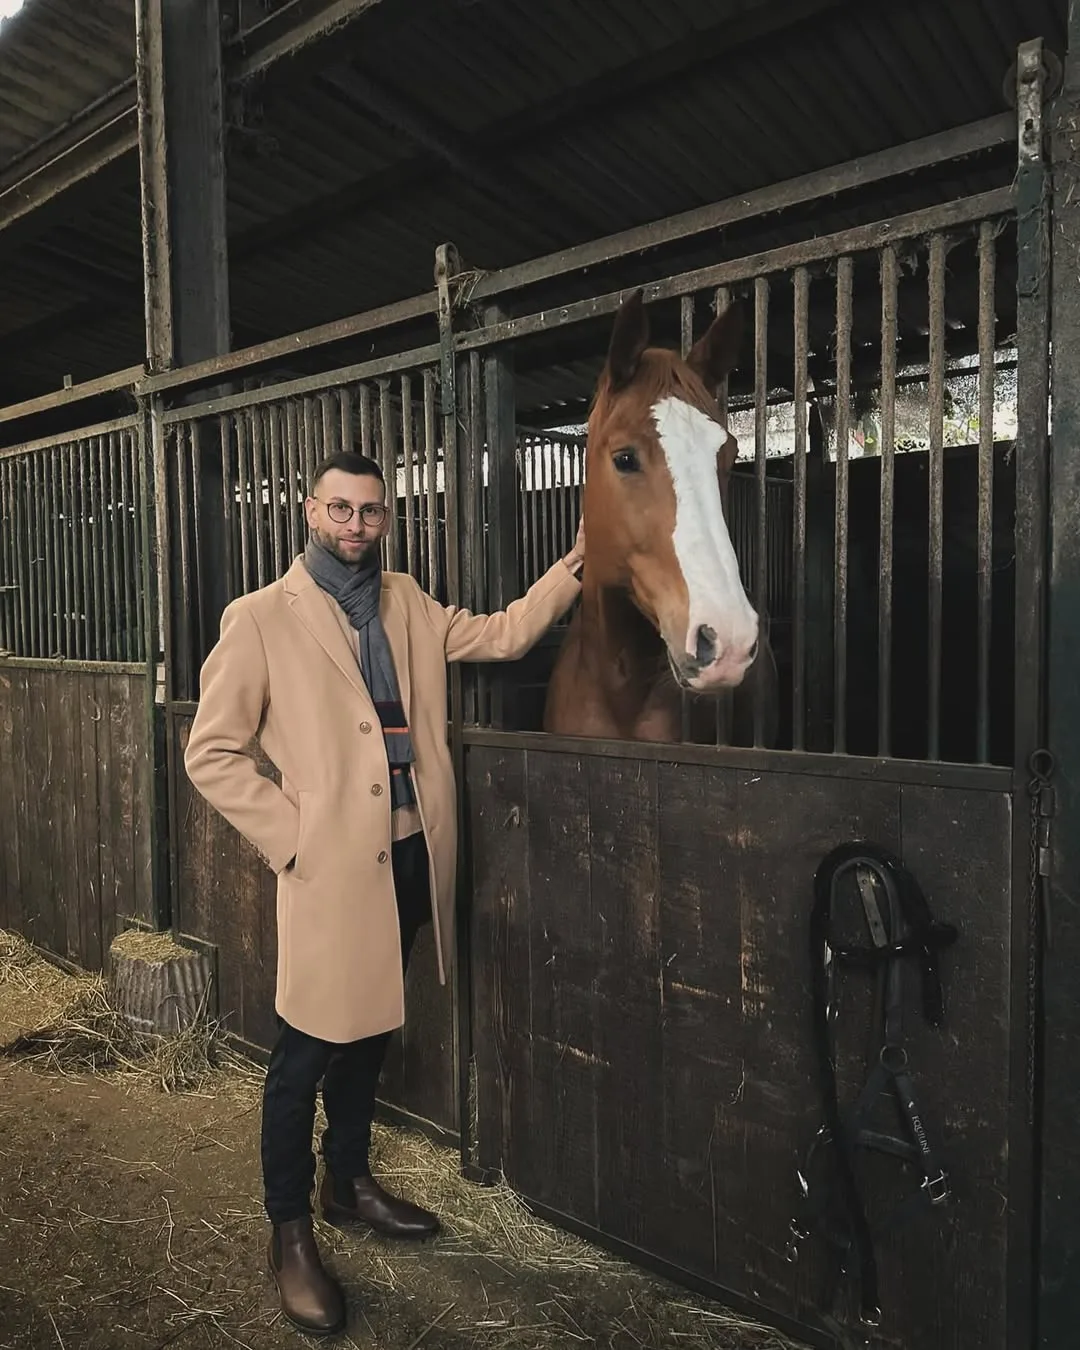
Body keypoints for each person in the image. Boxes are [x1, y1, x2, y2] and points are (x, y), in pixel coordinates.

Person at [184, 450, 583, 1336]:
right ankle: (289, 1229)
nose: (354, 526)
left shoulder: (408, 600)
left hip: (410, 857)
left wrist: (578, 563)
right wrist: (294, 841)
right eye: (339, 509)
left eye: (370, 512)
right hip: (331, 869)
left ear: (386, 520)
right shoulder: (258, 619)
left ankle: (347, 1180)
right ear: (308, 510)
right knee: (303, 1052)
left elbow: (509, 634)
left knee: (372, 1028)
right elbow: (210, 751)